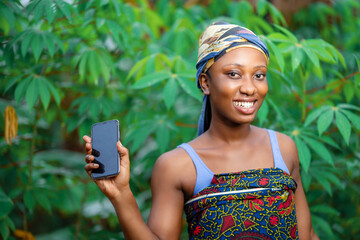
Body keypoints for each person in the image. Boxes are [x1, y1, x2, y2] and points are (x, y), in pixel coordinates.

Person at [83, 21, 319, 240]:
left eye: (259, 75)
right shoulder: (176, 166)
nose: (249, 88)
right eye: (234, 74)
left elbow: (306, 235)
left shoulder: (284, 148)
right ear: (205, 83)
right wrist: (121, 194)